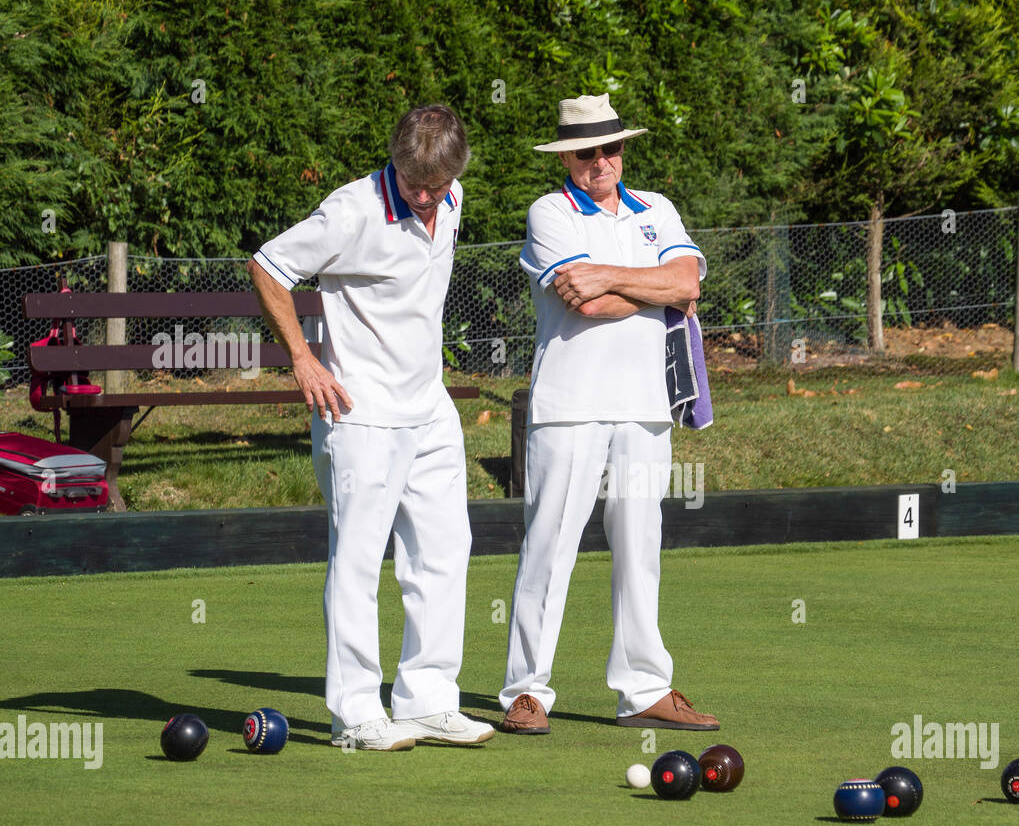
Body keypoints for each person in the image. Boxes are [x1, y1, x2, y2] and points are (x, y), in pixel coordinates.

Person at [248, 105, 493, 751]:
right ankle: (355, 713)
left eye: (435, 187)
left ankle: (428, 700)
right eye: (413, 182)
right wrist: (302, 358)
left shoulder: (454, 196)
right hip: (359, 412)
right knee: (358, 560)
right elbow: (269, 265)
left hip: (429, 405)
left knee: (445, 550)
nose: (424, 196)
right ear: (397, 162)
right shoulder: (353, 211)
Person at [499, 93, 719, 736]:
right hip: (568, 405)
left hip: (645, 405)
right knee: (549, 546)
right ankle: (526, 690)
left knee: (639, 547)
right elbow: (583, 303)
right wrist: (652, 286)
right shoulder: (549, 212)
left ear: (623, 149)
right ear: (567, 156)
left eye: (611, 148)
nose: (601, 161)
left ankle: (644, 688)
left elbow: (687, 285)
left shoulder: (660, 208)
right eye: (587, 151)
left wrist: (612, 279)